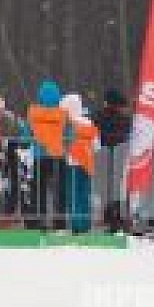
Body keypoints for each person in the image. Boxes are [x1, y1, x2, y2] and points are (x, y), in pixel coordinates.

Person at [21, 80, 69, 230]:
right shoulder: (63, 114)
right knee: (59, 192)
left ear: (40, 95)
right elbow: (70, 134)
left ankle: (38, 221)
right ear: (58, 96)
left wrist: (30, 141)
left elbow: (26, 135)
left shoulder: (33, 112)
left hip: (39, 156)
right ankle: (59, 222)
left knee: (38, 191)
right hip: (58, 156)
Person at [93, 89, 131, 232]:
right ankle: (118, 218)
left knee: (107, 189)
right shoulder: (124, 119)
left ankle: (110, 217)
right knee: (117, 189)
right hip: (119, 156)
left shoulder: (98, 117)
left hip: (104, 156)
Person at [61, 94, 99, 234]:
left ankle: (76, 225)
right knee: (84, 194)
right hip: (87, 163)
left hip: (73, 163)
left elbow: (64, 143)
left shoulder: (70, 124)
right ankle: (85, 223)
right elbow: (97, 144)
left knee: (74, 194)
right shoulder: (88, 123)